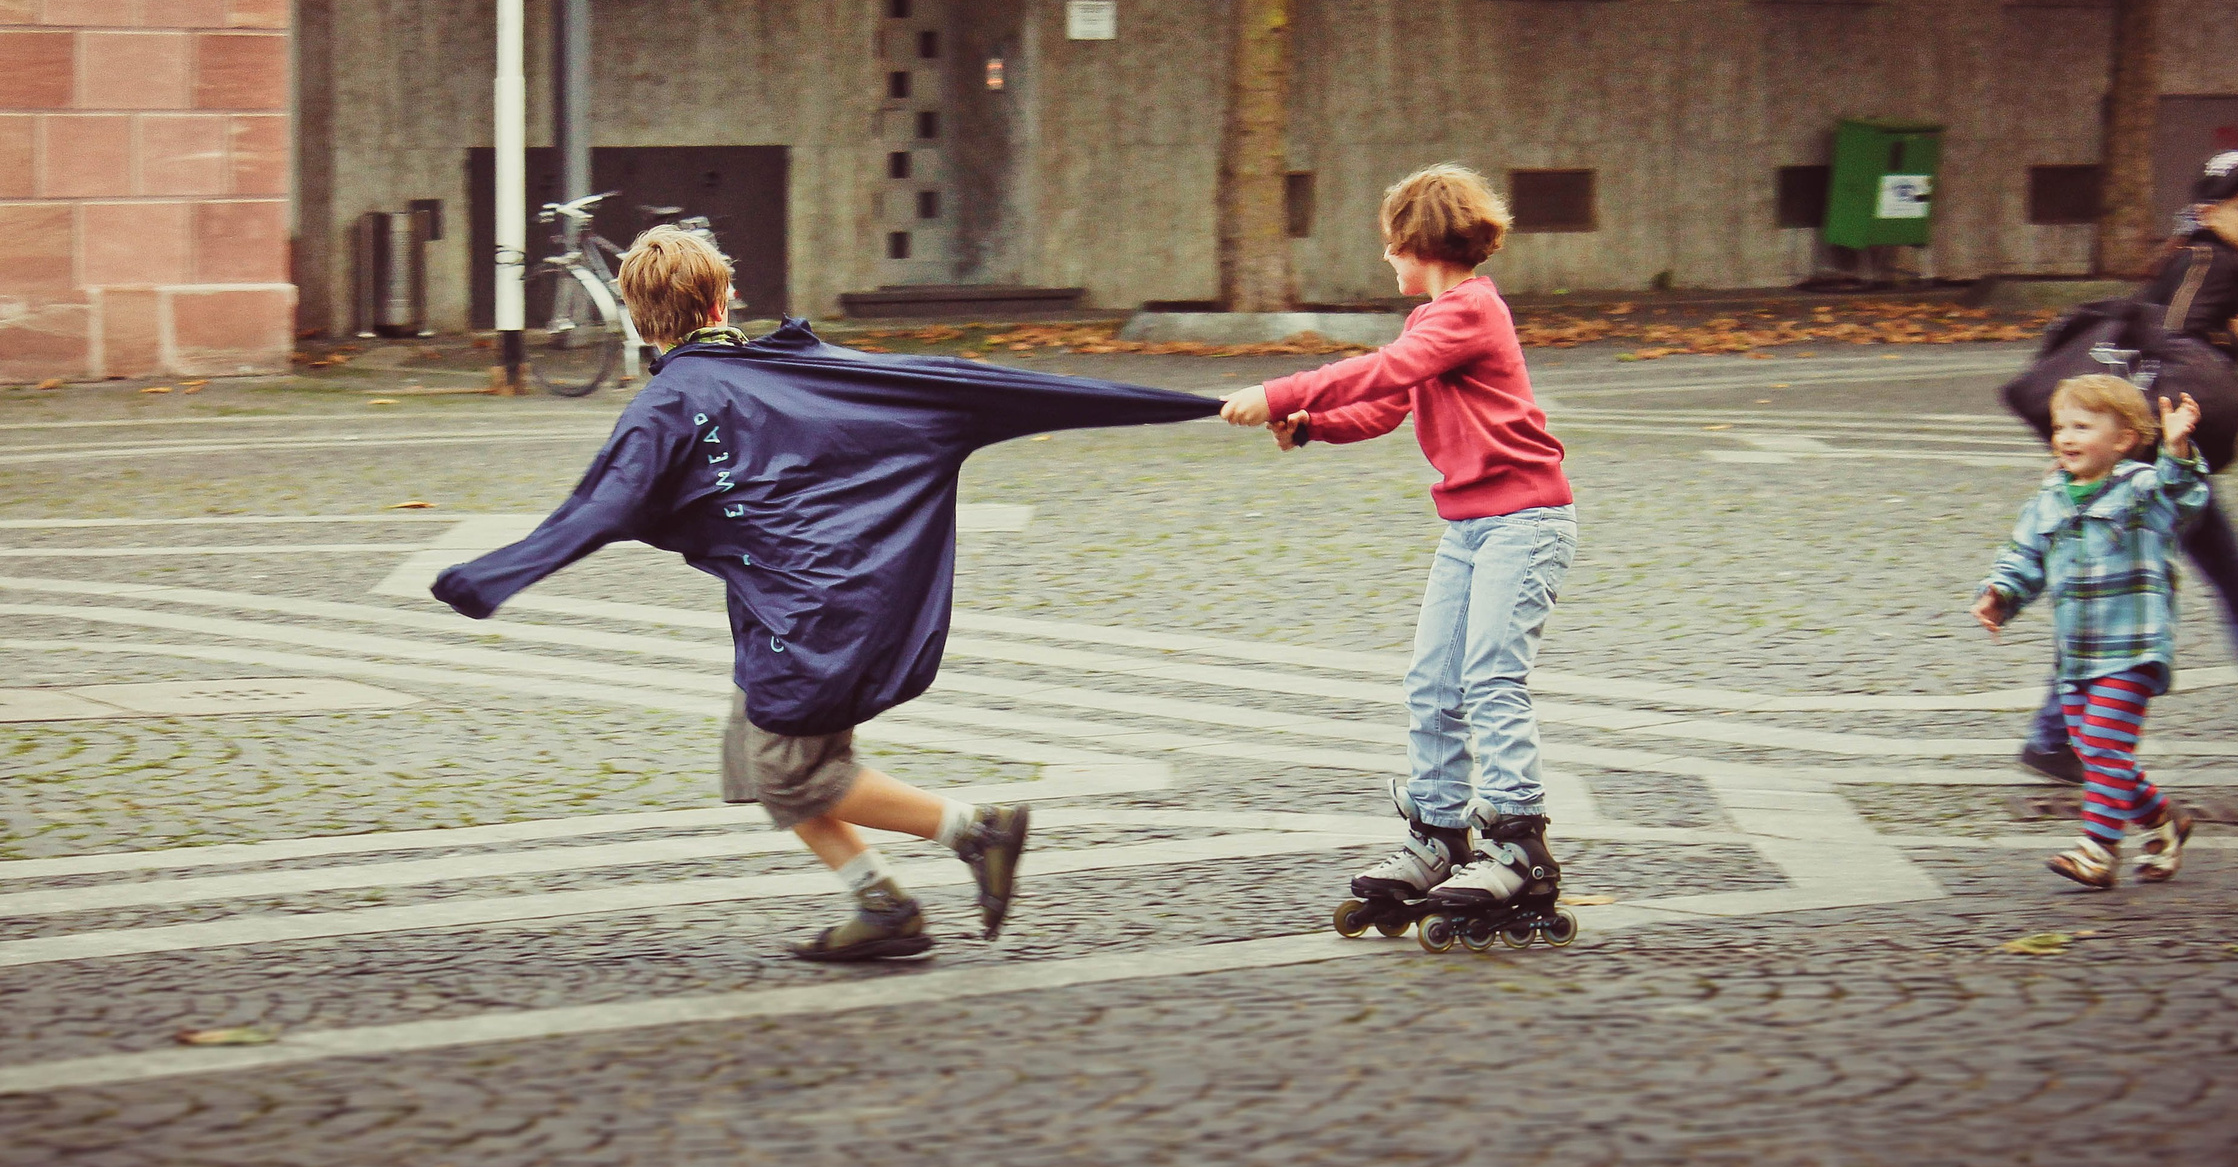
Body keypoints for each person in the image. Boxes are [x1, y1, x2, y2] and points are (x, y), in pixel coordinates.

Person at [434, 227, 1219, 963]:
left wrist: (488, 578)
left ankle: (977, 831)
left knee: (789, 771)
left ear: (642, 324)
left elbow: (599, 507)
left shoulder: (668, 405)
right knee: (757, 760)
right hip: (821, 606)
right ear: (721, 302)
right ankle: (883, 909)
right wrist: (1198, 402)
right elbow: (973, 384)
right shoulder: (809, 369)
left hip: (811, 620)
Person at [1218, 164, 1578, 931]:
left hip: (1525, 521)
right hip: (1471, 527)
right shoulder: (1434, 324)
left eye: (1391, 245)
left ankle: (1519, 843)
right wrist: (1315, 426)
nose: (1386, 259)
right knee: (1432, 682)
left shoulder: (1470, 312)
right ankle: (1439, 833)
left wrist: (1284, 394)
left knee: (1489, 680)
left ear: (1420, 243)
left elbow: (1385, 370)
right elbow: (1387, 404)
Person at [2017, 151, 2238, 784]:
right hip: (2162, 466)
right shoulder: (2207, 260)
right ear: (2210, 211)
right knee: (2133, 596)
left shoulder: (2209, 259)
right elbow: (2166, 347)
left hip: (2169, 462)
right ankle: (2052, 736)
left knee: (2217, 590)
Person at [1977, 377, 2210, 889]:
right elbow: (2025, 554)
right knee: (2097, 752)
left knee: (2103, 745)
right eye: (2061, 426)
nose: (2066, 437)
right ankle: (2163, 820)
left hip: (2132, 649)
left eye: (2082, 427)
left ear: (2124, 440)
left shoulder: (2142, 490)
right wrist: (2000, 593)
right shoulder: (2050, 496)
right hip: (2077, 654)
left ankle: (2098, 850)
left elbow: (2185, 496)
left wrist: (2176, 448)